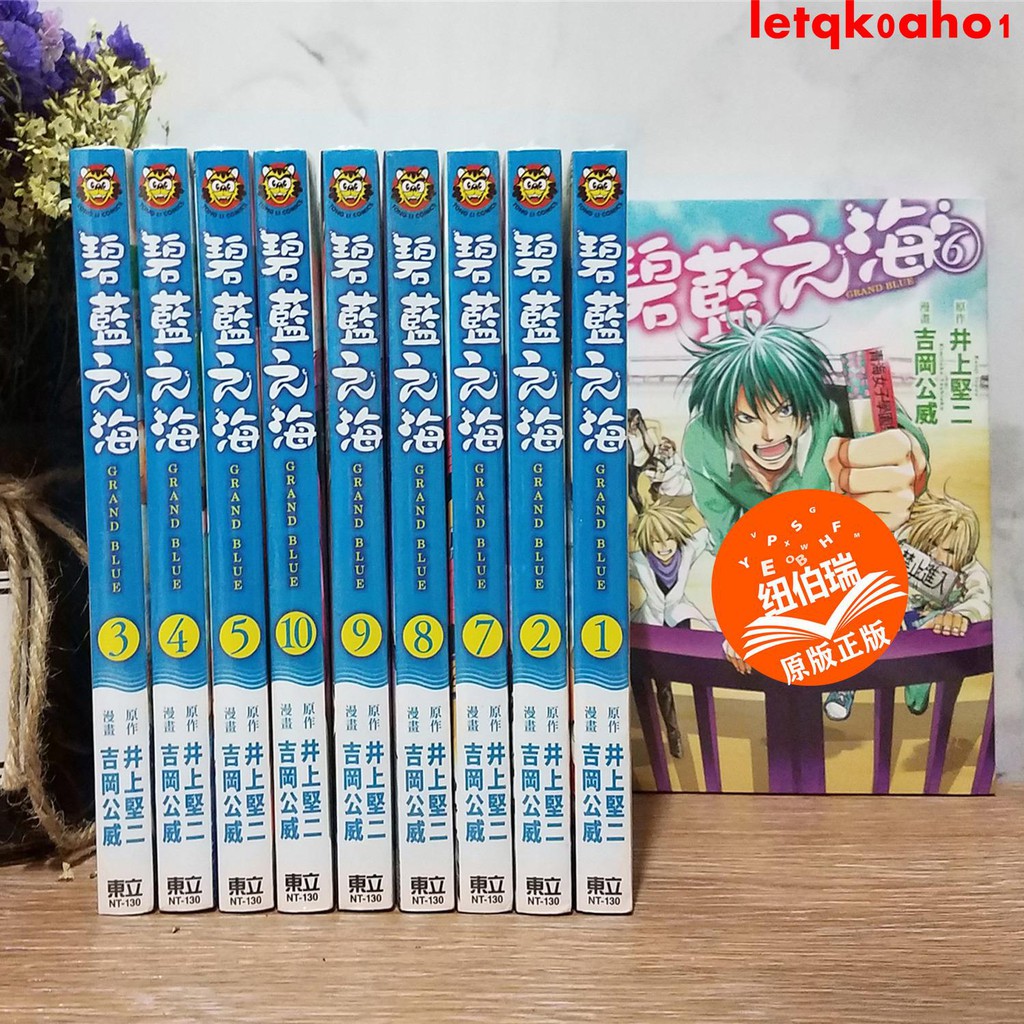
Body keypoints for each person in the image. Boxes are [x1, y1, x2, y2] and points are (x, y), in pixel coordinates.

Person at [681, 317, 930, 717]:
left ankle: (916, 670)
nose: (768, 434)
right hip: (782, 561)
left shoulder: (836, 409)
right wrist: (743, 619)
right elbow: (729, 538)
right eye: (746, 417)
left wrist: (908, 464)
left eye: (784, 410)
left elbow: (905, 444)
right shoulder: (703, 444)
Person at [629, 501, 714, 758]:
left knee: (697, 671)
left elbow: (709, 530)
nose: (663, 546)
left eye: (668, 538)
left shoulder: (688, 549)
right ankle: (673, 732)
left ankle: (703, 728)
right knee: (662, 684)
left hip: (680, 619)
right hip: (652, 626)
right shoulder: (638, 561)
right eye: (656, 541)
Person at [897, 490, 992, 715]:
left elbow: (981, 599)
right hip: (895, 614)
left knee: (937, 630)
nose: (937, 556)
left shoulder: (970, 569)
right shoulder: (902, 543)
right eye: (931, 543)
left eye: (949, 551)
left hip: (931, 626)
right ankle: (843, 691)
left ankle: (919, 681)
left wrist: (962, 615)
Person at [626, 408, 657, 514]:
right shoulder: (623, 436)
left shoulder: (640, 429)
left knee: (658, 476)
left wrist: (654, 454)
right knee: (632, 491)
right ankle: (641, 512)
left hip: (646, 461)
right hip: (633, 466)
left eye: (638, 419)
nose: (636, 422)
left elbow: (650, 444)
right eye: (633, 420)